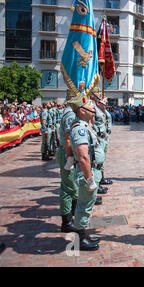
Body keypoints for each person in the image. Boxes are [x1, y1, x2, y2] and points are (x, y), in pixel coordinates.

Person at [68, 92, 105, 251]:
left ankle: (83, 234)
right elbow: (83, 156)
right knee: (83, 206)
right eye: (90, 105)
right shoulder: (80, 129)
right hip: (86, 173)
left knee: (86, 205)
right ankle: (78, 241)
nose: (93, 108)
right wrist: (90, 179)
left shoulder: (85, 125)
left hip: (91, 171)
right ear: (82, 110)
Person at [56, 90, 78, 233]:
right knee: (69, 187)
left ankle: (71, 217)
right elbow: (69, 138)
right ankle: (67, 221)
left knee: (70, 186)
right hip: (67, 153)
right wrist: (71, 157)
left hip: (67, 152)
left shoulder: (69, 112)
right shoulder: (70, 114)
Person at [90, 87, 114, 187]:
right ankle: (97, 182)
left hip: (103, 137)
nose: (99, 94)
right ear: (92, 95)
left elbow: (107, 116)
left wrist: (103, 106)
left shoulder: (98, 108)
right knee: (97, 161)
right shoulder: (92, 107)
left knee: (101, 159)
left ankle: (101, 179)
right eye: (97, 93)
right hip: (98, 137)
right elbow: (92, 122)